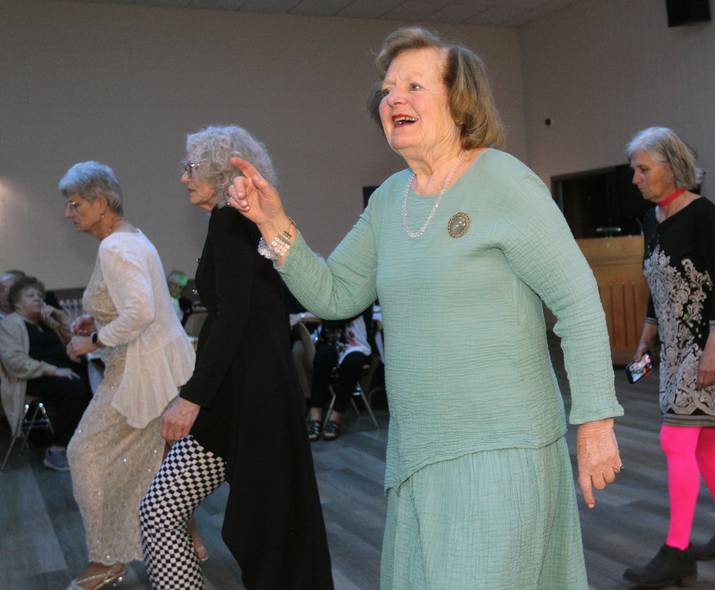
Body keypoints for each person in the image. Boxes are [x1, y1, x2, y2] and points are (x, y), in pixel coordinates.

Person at [229, 27, 624, 589]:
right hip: (418, 451)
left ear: (459, 102)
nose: (394, 99)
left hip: (500, 447)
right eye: (388, 89)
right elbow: (336, 292)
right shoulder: (391, 200)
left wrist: (595, 421)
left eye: (414, 85)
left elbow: (578, 300)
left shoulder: (503, 181)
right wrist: (272, 223)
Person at [139, 125, 333, 590]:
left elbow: (233, 316)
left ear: (218, 171)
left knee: (159, 511)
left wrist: (191, 397)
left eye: (191, 168)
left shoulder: (230, 221)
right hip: (250, 395)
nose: (183, 177)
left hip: (240, 401)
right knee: (270, 527)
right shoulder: (241, 224)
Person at [623, 127, 715, 587]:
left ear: (672, 166)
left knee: (677, 441)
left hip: (708, 350)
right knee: (702, 443)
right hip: (675, 350)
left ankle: (677, 551)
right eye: (634, 170)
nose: (635, 178)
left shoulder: (705, 216)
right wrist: (645, 338)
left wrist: (714, 350)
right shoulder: (652, 219)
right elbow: (655, 286)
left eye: (643, 169)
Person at [59, 161, 195, 590]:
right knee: (155, 461)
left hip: (141, 371)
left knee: (85, 453)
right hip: (158, 365)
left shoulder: (114, 247)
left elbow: (141, 310)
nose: (69, 213)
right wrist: (93, 321)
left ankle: (107, 558)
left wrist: (92, 340)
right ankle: (184, 541)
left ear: (101, 203)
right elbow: (139, 305)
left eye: (75, 203)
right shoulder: (132, 238)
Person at [0, 276, 91, 470]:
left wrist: (58, 316)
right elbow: (15, 362)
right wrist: (54, 370)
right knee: (72, 389)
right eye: (31, 296)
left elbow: (74, 339)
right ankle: (57, 449)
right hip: (31, 377)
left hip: (61, 371)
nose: (38, 299)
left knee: (91, 376)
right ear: (17, 301)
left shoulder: (45, 322)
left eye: (40, 296)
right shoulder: (10, 324)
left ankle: (83, 443)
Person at [306, 310, 372, 441]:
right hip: (332, 341)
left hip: (357, 344)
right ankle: (315, 413)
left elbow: (334, 319)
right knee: (322, 356)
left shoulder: (361, 296)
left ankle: (337, 415)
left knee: (353, 363)